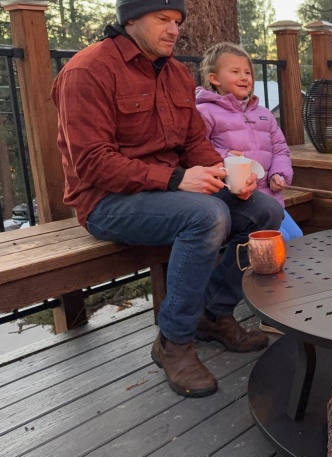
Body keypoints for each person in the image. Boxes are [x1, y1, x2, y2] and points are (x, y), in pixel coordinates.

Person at [51, 0, 284, 398]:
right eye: (163, 19)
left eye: (177, 21)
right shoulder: (87, 70)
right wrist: (177, 179)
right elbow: (91, 163)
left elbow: (194, 142)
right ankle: (174, 342)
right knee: (207, 216)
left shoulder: (175, 73)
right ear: (130, 19)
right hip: (107, 201)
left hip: (171, 192)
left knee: (264, 209)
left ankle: (214, 314)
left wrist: (226, 174)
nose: (174, 30)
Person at [196, 42, 303, 242]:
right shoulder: (205, 112)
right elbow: (197, 149)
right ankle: (249, 273)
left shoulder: (264, 114)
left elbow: (280, 149)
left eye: (247, 72)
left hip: (269, 196)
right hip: (234, 199)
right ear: (214, 78)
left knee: (297, 238)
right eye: (235, 71)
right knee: (281, 240)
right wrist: (226, 158)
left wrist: (279, 174)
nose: (244, 77)